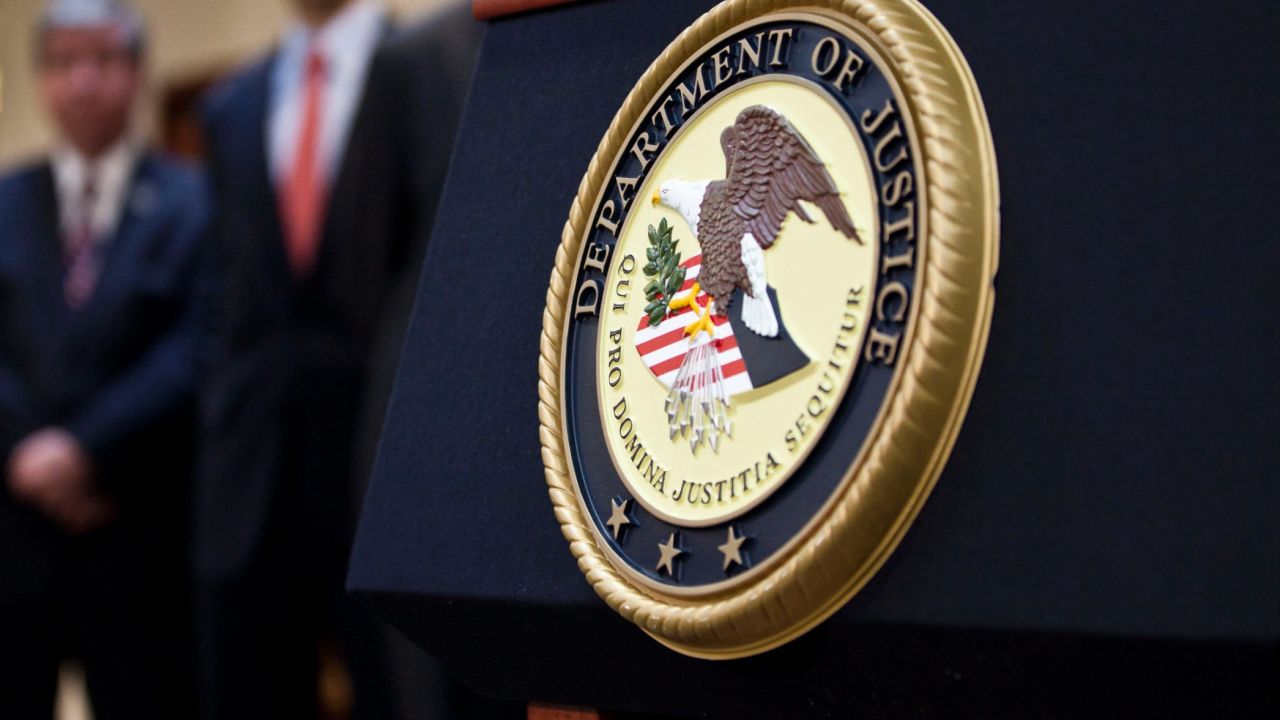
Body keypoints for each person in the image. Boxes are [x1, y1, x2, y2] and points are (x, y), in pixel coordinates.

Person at [197, 0, 434, 717]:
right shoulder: (231, 105)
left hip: (383, 463)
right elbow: (224, 288)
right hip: (254, 480)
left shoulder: (424, 65)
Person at [0, 0, 208, 717]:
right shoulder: (3, 202)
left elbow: (195, 348)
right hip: (14, 533)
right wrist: (27, 450)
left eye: (102, 59)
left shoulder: (194, 202)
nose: (82, 79)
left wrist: (85, 449)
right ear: (41, 81)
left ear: (136, 73)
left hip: (137, 532)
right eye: (63, 61)